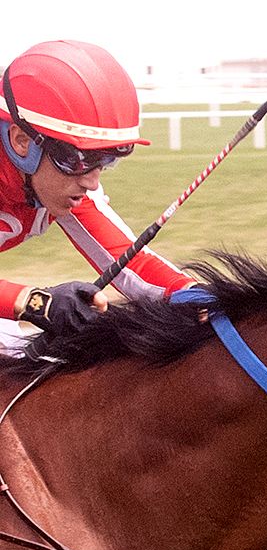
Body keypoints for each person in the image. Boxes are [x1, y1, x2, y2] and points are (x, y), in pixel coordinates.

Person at [2, 39, 191, 339]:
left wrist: (192, 293)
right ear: (22, 142)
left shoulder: (62, 184)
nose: (91, 182)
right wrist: (33, 302)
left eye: (105, 161)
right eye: (78, 160)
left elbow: (130, 261)